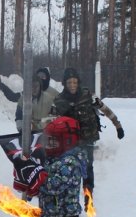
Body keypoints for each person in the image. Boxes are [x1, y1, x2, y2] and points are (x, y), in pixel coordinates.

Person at [51, 67, 124, 195]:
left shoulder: (88, 95)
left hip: (88, 138)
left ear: (78, 82)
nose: (72, 85)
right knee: (70, 168)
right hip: (69, 142)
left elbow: (105, 109)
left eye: (74, 82)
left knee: (88, 167)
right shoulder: (58, 100)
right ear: (64, 83)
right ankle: (71, 197)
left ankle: (88, 196)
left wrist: (117, 125)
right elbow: (51, 122)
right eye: (69, 82)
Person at [0, 67, 59, 133]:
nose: (40, 78)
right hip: (30, 132)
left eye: (43, 76)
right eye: (39, 76)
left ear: (47, 78)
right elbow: (14, 97)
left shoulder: (53, 94)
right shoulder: (27, 93)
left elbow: (60, 111)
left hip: (48, 132)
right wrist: (4, 88)